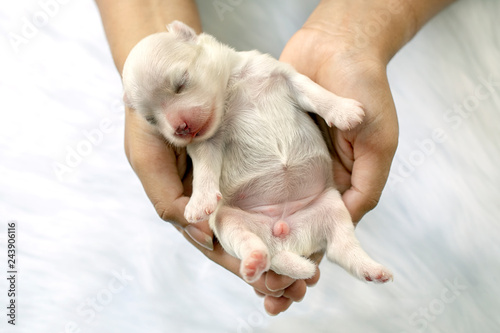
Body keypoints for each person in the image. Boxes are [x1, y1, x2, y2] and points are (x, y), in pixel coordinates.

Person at [95, 0, 455, 316]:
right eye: (154, 119)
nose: (177, 123)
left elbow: (297, 84)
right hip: (250, 210)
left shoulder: (256, 66)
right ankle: (256, 249)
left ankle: (354, 257)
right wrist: (204, 194)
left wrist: (332, 104)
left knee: (333, 209)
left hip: (313, 195)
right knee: (225, 221)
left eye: (180, 84)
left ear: (194, 41)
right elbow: (205, 160)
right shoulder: (202, 136)